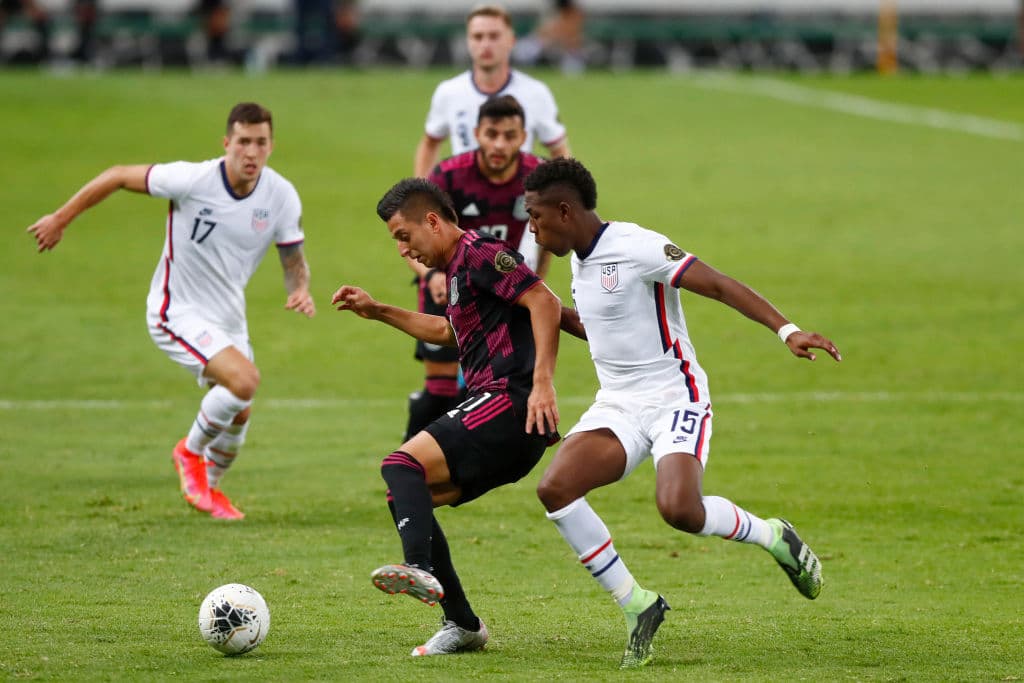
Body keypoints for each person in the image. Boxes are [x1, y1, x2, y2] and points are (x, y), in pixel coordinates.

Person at [522, 158, 841, 669]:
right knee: (555, 488)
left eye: (535, 216)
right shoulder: (580, 260)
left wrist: (788, 330)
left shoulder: (636, 245)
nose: (531, 228)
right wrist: (537, 308)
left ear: (565, 210)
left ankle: (773, 535)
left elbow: (717, 284)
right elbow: (602, 330)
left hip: (676, 395)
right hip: (619, 403)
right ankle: (637, 604)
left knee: (680, 510)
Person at [27, 102, 315, 521]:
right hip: (176, 310)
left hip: (229, 316)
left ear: (271, 146)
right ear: (227, 143)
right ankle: (189, 454)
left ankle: (209, 491)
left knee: (241, 407)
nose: (251, 152)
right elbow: (119, 175)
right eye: (243, 142)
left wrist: (300, 289)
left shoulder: (281, 195)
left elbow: (293, 259)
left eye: (260, 143)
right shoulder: (194, 179)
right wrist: (60, 218)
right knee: (245, 381)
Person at [331, 177, 562, 656]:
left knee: (400, 466)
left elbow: (544, 300)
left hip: (510, 402)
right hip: (502, 421)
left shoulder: (479, 252)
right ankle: (462, 624)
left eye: (403, 235)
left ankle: (418, 567)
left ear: (432, 221)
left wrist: (542, 382)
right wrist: (377, 311)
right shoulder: (459, 269)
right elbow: (447, 330)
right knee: (406, 496)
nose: (402, 249)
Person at [401, 95, 550, 443]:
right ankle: (409, 463)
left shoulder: (536, 176)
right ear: (476, 133)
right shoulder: (449, 176)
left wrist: (535, 283)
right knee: (439, 390)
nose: (500, 144)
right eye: (492, 133)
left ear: (524, 136)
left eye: (510, 135)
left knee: (498, 388)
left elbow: (548, 237)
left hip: (501, 294)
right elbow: (408, 236)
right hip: (446, 286)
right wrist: (431, 275)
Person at [413, 3, 570, 179]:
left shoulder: (536, 93)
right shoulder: (449, 92)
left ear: (511, 41)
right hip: (465, 200)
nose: (485, 44)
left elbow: (558, 149)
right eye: (478, 37)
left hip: (518, 200)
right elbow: (430, 142)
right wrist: (423, 194)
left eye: (494, 36)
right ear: (468, 41)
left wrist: (564, 197)